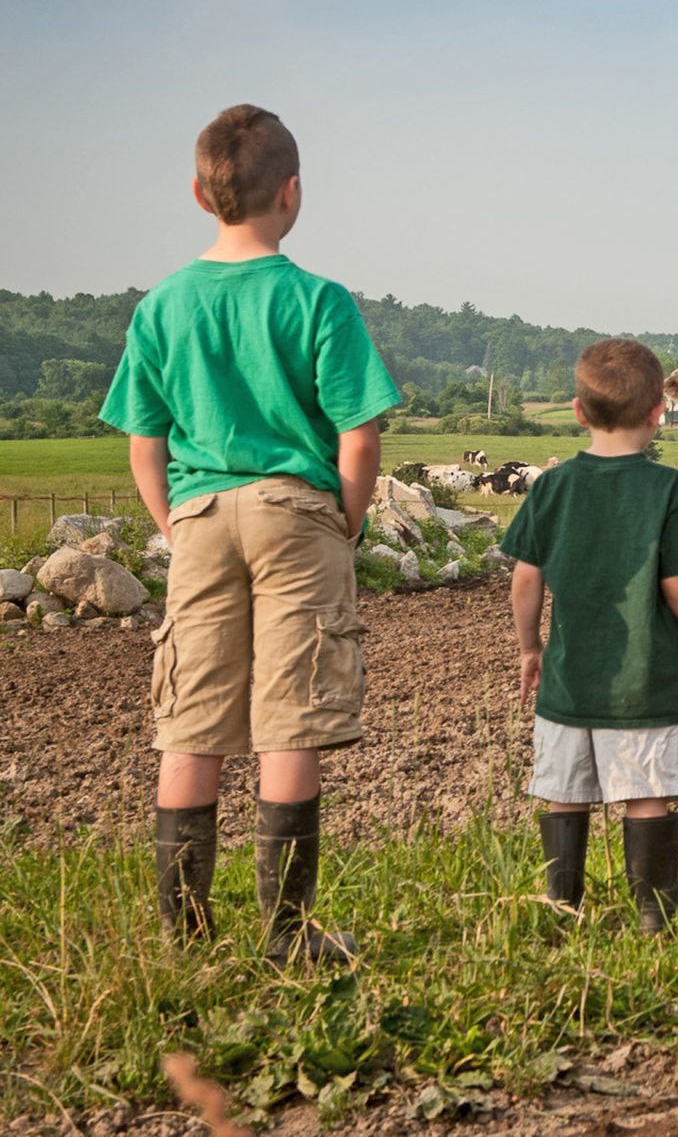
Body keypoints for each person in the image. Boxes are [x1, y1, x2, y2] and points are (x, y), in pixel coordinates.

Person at [100, 104, 400, 962]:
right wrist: (345, 519)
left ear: (201, 195)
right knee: (291, 717)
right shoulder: (318, 300)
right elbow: (359, 434)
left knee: (191, 720)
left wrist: (175, 522)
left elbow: (145, 441)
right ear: (292, 192)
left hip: (199, 514)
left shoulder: (162, 305)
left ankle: (186, 938)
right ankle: (286, 935)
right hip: (296, 513)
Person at [501, 338, 678, 932]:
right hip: (646, 682)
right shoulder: (665, 488)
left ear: (578, 411)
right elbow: (675, 582)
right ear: (657, 413)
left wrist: (529, 647)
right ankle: (654, 910)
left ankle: (562, 907)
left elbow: (525, 579)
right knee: (647, 793)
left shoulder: (551, 486)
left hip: (568, 680)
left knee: (564, 793)